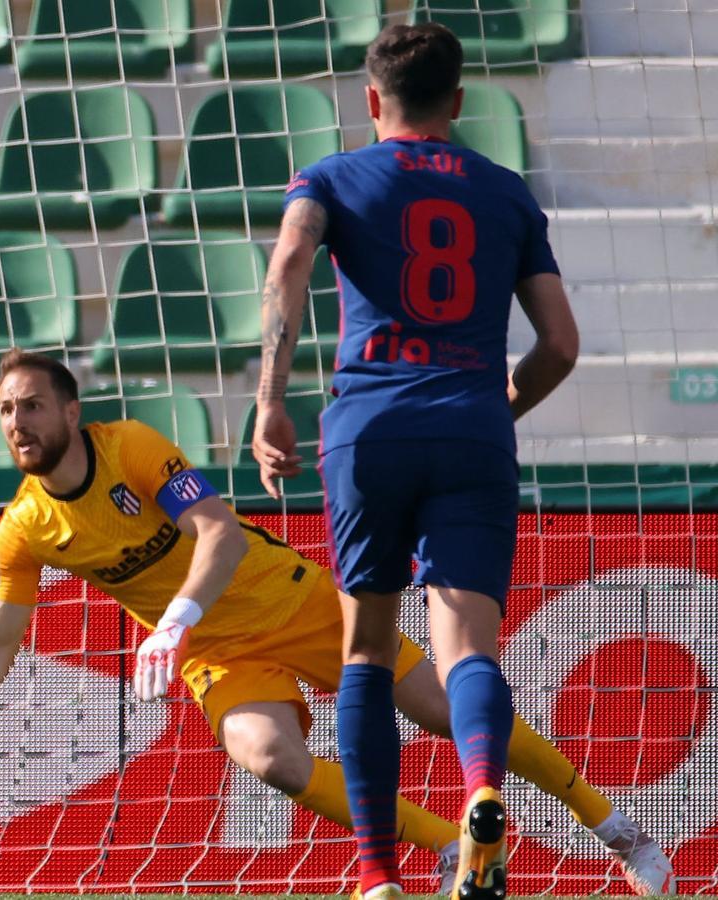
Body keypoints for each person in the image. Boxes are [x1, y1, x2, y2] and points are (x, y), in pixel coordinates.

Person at [0, 351, 669, 896]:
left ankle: (615, 827)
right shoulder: (20, 528)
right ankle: (447, 849)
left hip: (292, 602)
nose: (16, 422)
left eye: (33, 406)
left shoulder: (131, 449)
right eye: (7, 411)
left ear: (71, 411)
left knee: (442, 710)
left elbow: (219, 533)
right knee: (268, 757)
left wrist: (172, 619)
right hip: (218, 653)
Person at [251, 22, 588, 900]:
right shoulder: (507, 193)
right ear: (461, 102)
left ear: (372, 101)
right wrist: (494, 408)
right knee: (468, 645)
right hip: (472, 428)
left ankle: (375, 872)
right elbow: (560, 344)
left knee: (366, 649)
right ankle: (483, 787)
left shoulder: (331, 177)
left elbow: (289, 258)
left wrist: (269, 400)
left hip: (367, 429)